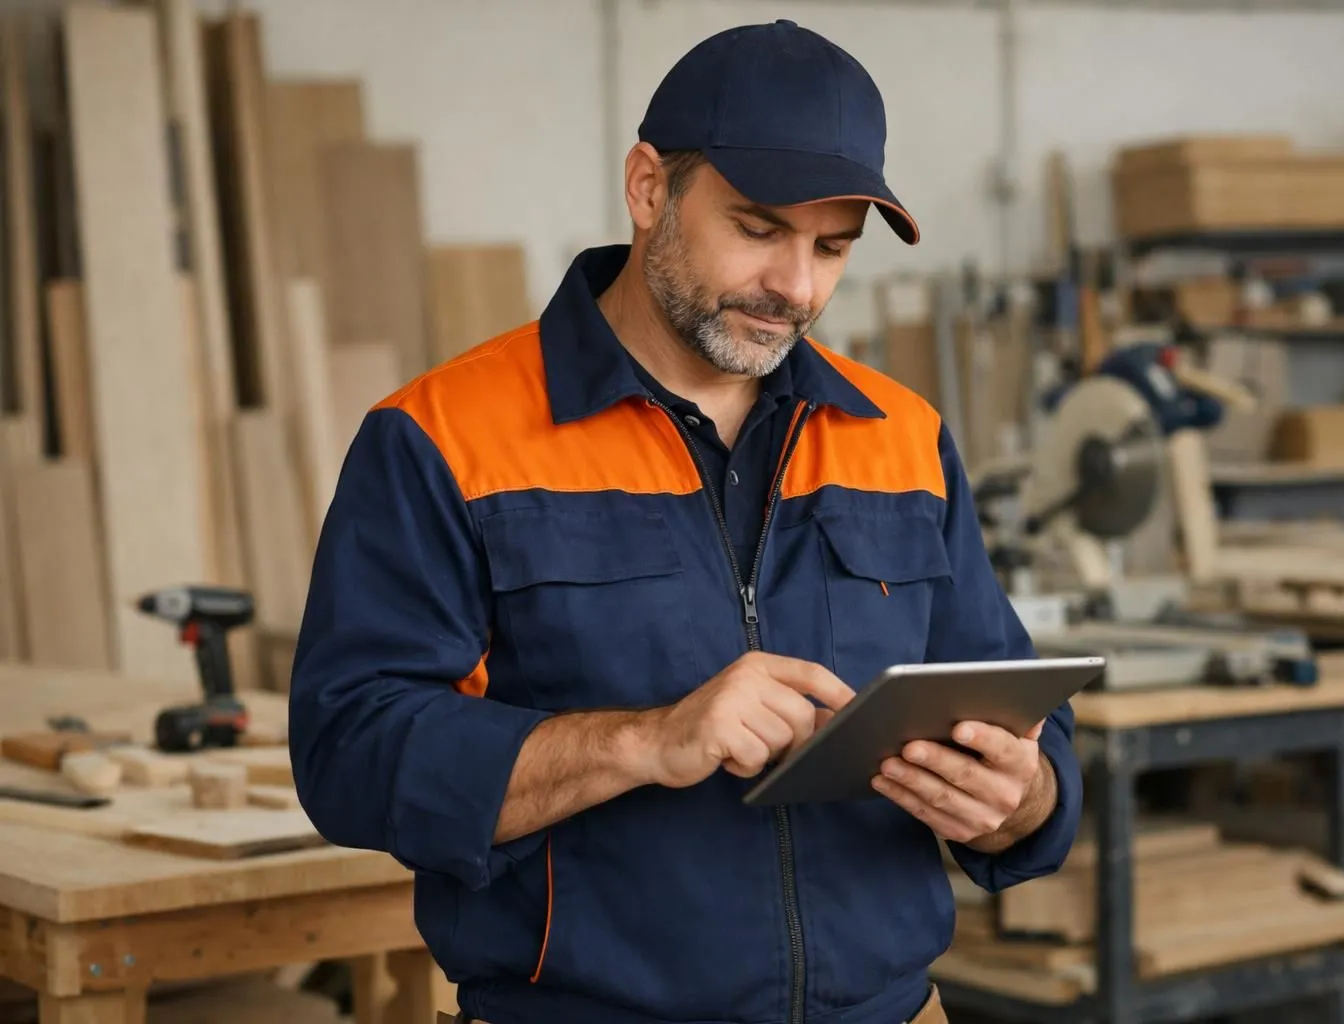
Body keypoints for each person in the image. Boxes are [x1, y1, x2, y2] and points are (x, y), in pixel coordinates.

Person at [288, 19, 1081, 1024]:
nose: (796, 288)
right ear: (650, 188)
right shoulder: (444, 436)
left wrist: (1025, 797)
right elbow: (350, 752)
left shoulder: (902, 437)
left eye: (831, 248)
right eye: (757, 229)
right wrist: (648, 741)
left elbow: (1025, 721)